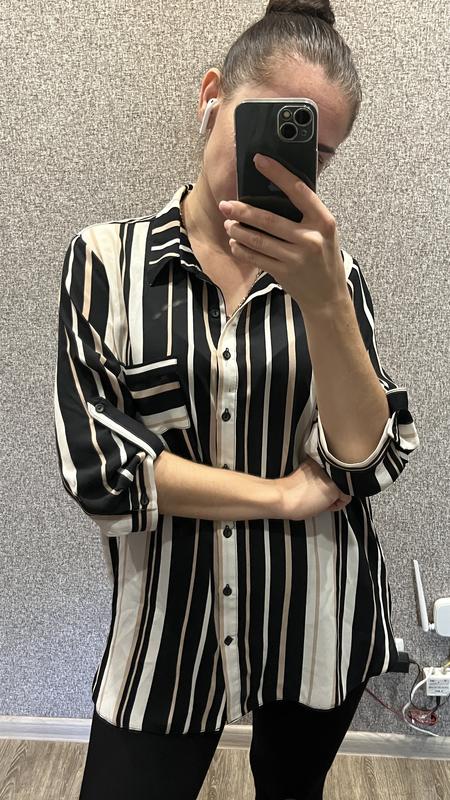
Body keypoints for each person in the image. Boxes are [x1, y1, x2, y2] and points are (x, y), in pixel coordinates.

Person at [54, 1, 420, 798]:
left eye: (314, 154)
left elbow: (366, 461)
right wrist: (282, 496)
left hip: (317, 621)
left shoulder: (332, 276)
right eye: (270, 132)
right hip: (167, 632)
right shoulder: (104, 263)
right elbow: (102, 469)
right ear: (212, 95)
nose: (283, 170)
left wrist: (324, 301)